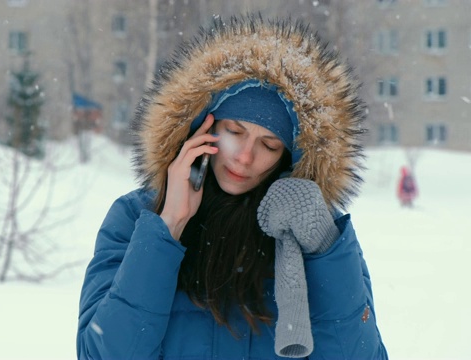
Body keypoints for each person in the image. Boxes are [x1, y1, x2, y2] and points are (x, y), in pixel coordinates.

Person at [77, 14, 387, 359]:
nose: (243, 157)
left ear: (288, 157)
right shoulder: (137, 218)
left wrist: (323, 250)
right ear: (201, 127)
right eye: (235, 132)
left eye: (269, 145)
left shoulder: (314, 231)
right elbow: (104, 354)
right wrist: (169, 225)